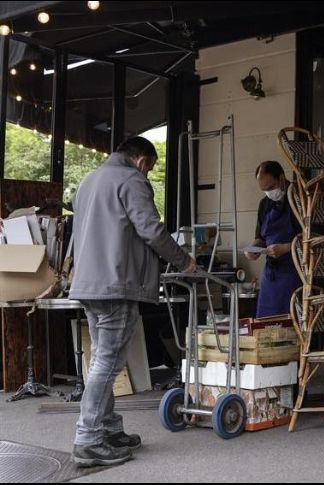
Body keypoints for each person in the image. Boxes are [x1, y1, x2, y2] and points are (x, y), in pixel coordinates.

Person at [69, 137, 197, 467]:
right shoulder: (131, 180)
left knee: (101, 360)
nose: (149, 173)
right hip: (116, 283)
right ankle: (88, 439)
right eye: (151, 167)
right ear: (141, 161)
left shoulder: (89, 181)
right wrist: (184, 261)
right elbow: (151, 230)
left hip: (88, 283)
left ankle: (109, 429)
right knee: (108, 363)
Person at [247, 161, 302, 317]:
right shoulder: (264, 204)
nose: (269, 193)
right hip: (271, 273)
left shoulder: (301, 199)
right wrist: (254, 250)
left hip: (296, 270)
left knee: (291, 320)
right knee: (266, 322)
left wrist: (285, 248)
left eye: (271, 188)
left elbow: (313, 237)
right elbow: (259, 238)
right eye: (264, 190)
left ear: (282, 178)